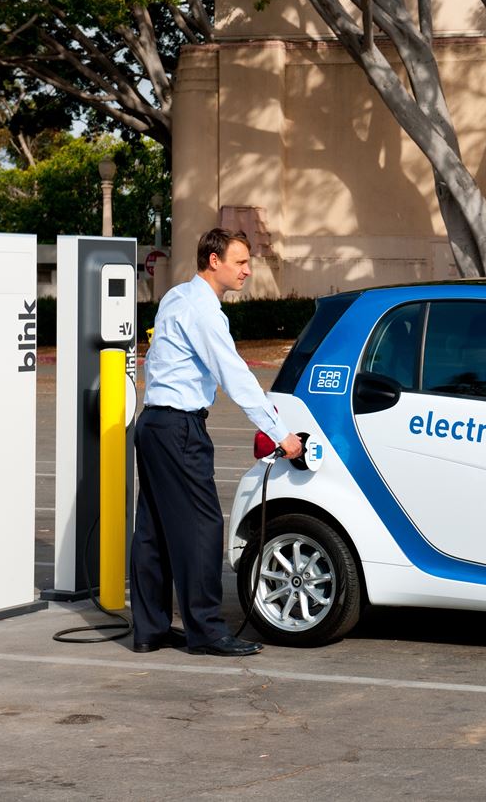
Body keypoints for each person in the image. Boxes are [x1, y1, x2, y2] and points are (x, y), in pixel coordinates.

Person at [129, 228, 302, 657]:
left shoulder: (174, 297)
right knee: (203, 528)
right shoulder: (205, 312)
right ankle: (205, 630)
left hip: (152, 424)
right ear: (214, 261)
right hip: (179, 429)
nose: (247, 270)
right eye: (240, 262)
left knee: (152, 530)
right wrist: (280, 434)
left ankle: (149, 628)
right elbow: (235, 376)